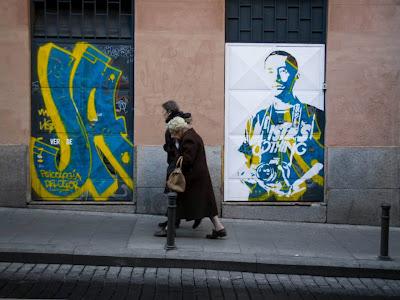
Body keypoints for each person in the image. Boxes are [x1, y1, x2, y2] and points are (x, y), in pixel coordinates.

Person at [239, 50, 324, 201]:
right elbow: (246, 163)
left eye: (283, 70)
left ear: (296, 75)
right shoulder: (256, 119)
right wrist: (251, 178)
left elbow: (323, 162)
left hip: (303, 197)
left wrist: (300, 183)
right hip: (262, 198)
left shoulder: (314, 116)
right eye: (270, 71)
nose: (277, 77)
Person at [165, 116, 226, 239]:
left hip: (192, 178)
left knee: (177, 201)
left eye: (173, 133)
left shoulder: (189, 139)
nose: (172, 136)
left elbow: (187, 160)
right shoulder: (191, 135)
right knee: (207, 203)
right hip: (198, 177)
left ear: (179, 130)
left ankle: (169, 229)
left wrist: (175, 156)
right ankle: (219, 227)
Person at [155, 101, 201, 236]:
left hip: (176, 165)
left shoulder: (174, 124)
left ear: (169, 112)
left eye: (164, 111)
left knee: (173, 192)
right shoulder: (178, 120)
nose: (162, 114)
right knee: (176, 194)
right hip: (176, 163)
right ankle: (172, 221)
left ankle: (172, 225)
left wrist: (170, 152)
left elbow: (176, 146)